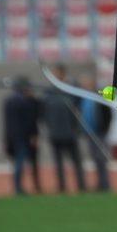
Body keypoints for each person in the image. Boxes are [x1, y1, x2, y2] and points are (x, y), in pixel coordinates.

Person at [42, 64, 86, 193]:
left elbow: (79, 101)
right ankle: (62, 187)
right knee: (58, 163)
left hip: (70, 133)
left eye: (59, 73)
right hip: (55, 134)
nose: (57, 76)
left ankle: (82, 186)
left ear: (63, 74)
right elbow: (44, 113)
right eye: (55, 74)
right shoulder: (49, 92)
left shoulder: (71, 89)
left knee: (76, 162)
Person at [2, 76, 41, 195]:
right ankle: (20, 188)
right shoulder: (25, 102)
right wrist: (34, 135)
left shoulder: (8, 101)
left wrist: (6, 139)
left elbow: (6, 123)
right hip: (23, 138)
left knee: (18, 163)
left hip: (12, 137)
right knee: (21, 162)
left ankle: (19, 186)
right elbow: (30, 120)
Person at [79, 74, 112, 192]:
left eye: (87, 83)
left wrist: (105, 129)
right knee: (95, 159)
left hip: (100, 133)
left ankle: (105, 184)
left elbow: (108, 114)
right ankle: (99, 183)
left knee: (101, 159)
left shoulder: (99, 97)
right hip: (89, 133)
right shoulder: (82, 97)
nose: (85, 86)